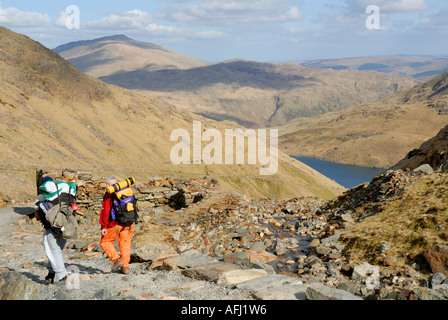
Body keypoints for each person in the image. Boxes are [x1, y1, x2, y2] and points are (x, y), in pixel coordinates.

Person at [35, 177, 77, 284]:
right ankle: (50, 274)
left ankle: (62, 277)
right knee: (56, 252)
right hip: (65, 228)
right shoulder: (65, 196)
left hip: (51, 230)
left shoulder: (42, 199)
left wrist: (37, 208)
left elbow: (38, 217)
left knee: (54, 252)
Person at [99, 176, 134, 274]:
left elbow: (105, 211)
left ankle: (117, 260)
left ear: (107, 185)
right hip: (128, 222)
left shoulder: (109, 194)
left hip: (114, 223)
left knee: (105, 242)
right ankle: (125, 267)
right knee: (125, 244)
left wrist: (103, 226)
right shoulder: (126, 192)